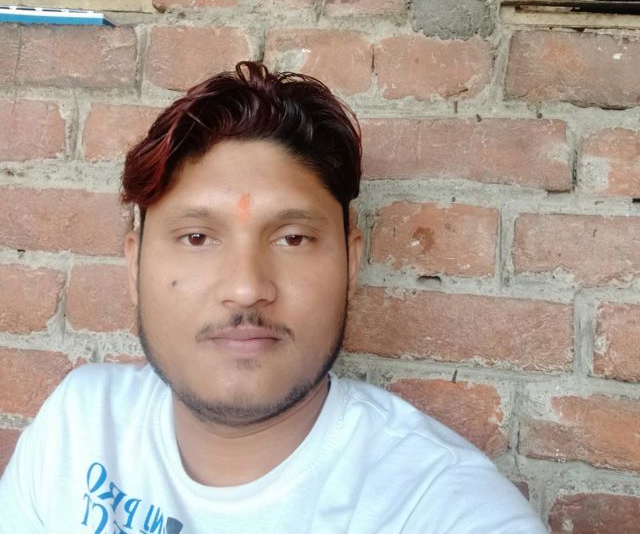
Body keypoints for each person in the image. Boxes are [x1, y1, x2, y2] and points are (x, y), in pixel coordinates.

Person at [0, 62, 546, 533]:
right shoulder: (80, 425)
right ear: (134, 265)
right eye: (197, 238)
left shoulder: (437, 506)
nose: (246, 288)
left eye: (293, 239)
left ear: (351, 264)